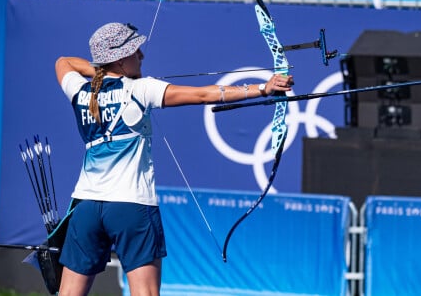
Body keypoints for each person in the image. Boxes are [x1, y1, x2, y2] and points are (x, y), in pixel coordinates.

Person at [54, 22, 294, 296]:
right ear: (121, 59)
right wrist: (263, 88)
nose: (141, 55)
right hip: (131, 207)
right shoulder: (141, 89)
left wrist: (102, 71)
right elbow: (205, 94)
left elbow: (63, 62)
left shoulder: (81, 92)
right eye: (135, 51)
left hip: (85, 206)